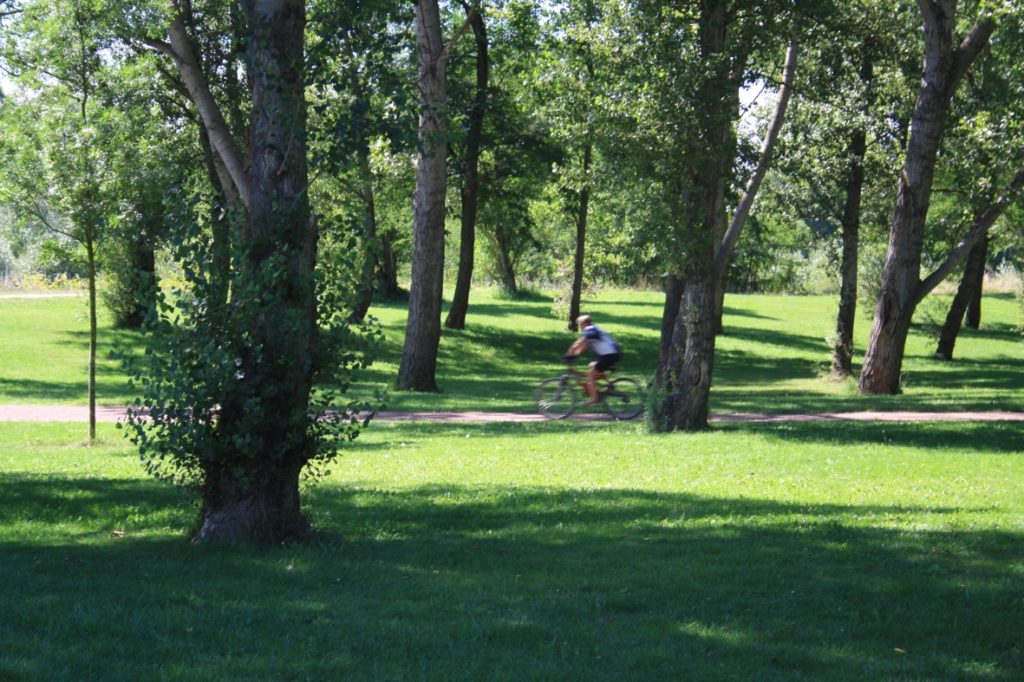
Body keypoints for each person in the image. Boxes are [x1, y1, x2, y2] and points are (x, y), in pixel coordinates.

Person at [563, 314, 622, 406]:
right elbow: (584, 346)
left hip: (609, 356)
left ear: (583, 324)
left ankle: (594, 400)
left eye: (579, 324)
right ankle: (609, 384)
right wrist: (574, 355)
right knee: (592, 365)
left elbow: (579, 343)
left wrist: (568, 355)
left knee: (591, 374)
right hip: (611, 355)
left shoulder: (590, 329)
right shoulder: (593, 329)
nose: (579, 327)